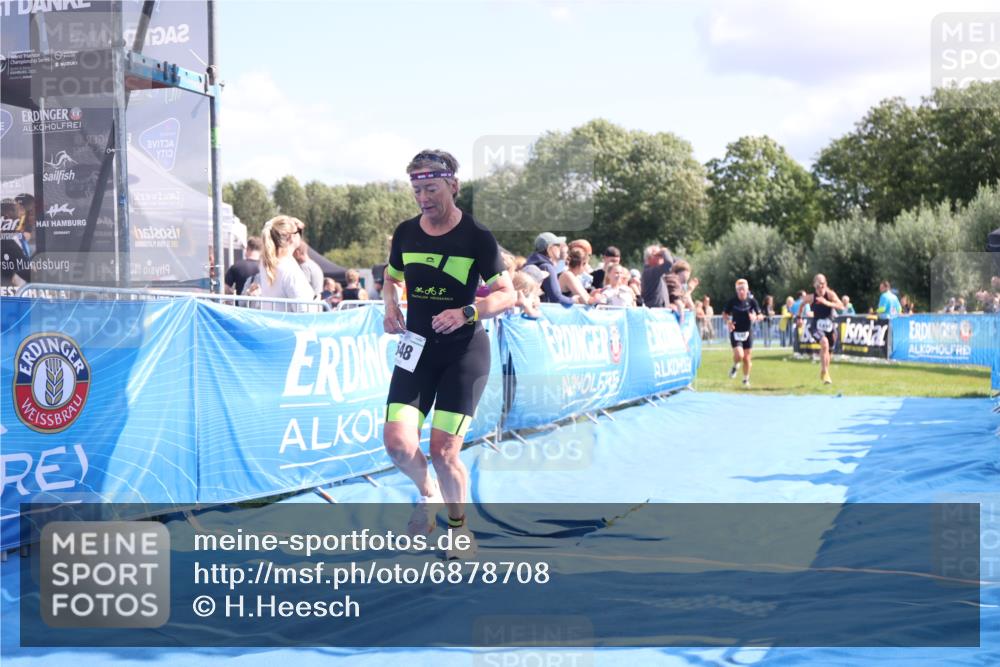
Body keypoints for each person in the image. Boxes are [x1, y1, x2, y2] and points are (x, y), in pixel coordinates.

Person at [381, 149, 516, 558]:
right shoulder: (405, 233)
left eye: (432, 188)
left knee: (442, 450)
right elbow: (391, 278)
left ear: (453, 186)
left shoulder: (477, 237)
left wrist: (467, 311)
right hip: (417, 351)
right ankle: (428, 494)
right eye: (417, 189)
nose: (424, 197)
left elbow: (508, 294)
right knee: (398, 444)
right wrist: (390, 305)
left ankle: (459, 529)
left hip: (464, 354)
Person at [257, 216, 316, 312]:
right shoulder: (290, 269)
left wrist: (290, 225)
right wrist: (317, 303)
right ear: (290, 237)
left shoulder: (265, 264)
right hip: (290, 325)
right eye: (298, 232)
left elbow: (270, 226)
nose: (301, 236)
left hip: (273, 324)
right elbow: (305, 310)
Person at [799, 273, 844, 385]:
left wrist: (827, 303)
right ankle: (825, 372)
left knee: (829, 351)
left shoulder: (830, 295)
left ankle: (825, 372)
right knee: (824, 343)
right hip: (816, 326)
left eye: (822, 284)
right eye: (818, 285)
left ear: (826, 284)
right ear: (814, 285)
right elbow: (802, 304)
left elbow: (841, 306)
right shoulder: (811, 297)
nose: (820, 287)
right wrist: (799, 317)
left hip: (830, 326)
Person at [722, 279, 762, 387]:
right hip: (735, 331)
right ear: (736, 290)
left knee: (747, 358)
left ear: (747, 290)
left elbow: (761, 315)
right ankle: (735, 366)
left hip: (748, 332)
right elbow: (724, 314)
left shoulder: (752, 301)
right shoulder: (732, 301)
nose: (741, 291)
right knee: (739, 355)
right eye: (739, 289)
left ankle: (745, 380)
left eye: (743, 289)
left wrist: (755, 317)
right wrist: (728, 322)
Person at [526, 232, 574, 306]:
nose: (560, 247)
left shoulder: (531, 263)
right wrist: (573, 300)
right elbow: (556, 298)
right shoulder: (547, 267)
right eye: (558, 245)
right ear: (550, 248)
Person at [224, 236, 262, 305]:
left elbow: (226, 288)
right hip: (261, 309)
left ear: (248, 249)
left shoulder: (236, 266)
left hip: (241, 311)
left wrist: (232, 292)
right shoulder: (266, 268)